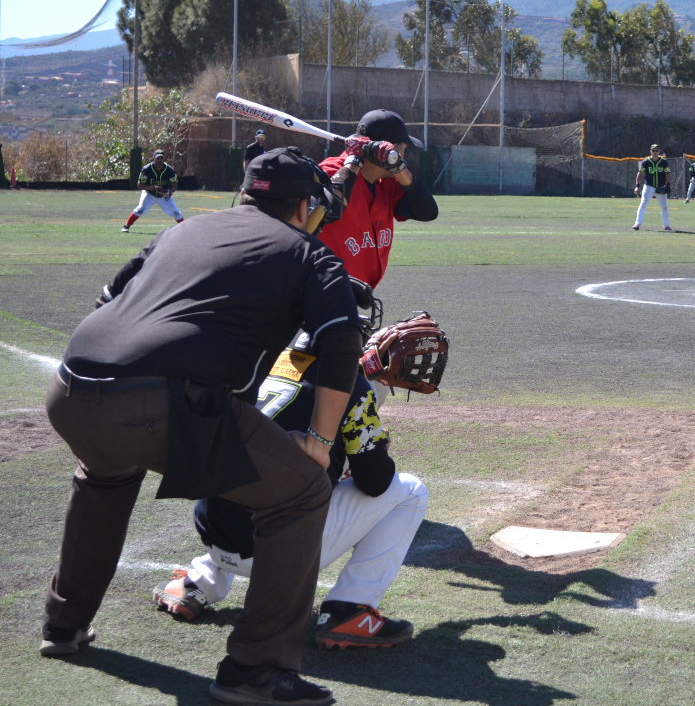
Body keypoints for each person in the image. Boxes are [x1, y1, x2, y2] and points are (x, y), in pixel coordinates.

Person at [43, 147, 361, 706]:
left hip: (70, 387)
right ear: (304, 206)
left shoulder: (183, 230)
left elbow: (108, 299)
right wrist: (319, 441)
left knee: (106, 476)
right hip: (157, 404)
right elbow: (340, 345)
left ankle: (63, 625)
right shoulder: (310, 253)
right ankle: (256, 669)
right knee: (303, 491)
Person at [152, 289, 429, 650]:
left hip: (212, 529)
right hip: (275, 549)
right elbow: (376, 482)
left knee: (254, 474)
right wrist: (373, 448)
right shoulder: (350, 382)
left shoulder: (261, 358)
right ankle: (348, 610)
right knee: (410, 491)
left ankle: (197, 582)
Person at [318, 109, 438, 289]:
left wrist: (398, 168)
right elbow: (330, 209)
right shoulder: (332, 172)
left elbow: (427, 212)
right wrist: (355, 159)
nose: (402, 156)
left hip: (358, 293)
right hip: (324, 291)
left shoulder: (388, 183)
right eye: (402, 150)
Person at [122, 149, 183, 232]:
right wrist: (150, 187)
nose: (160, 160)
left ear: (164, 159)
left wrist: (169, 192)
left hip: (163, 195)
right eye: (158, 158)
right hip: (149, 194)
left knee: (176, 212)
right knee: (140, 209)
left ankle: (185, 229)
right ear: (153, 159)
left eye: (161, 158)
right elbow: (139, 184)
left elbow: (174, 186)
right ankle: (126, 226)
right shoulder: (147, 169)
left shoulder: (170, 170)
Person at [633, 143, 672, 231]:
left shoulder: (664, 162)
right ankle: (637, 224)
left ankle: (666, 226)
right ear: (650, 151)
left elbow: (667, 174)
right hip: (649, 186)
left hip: (660, 186)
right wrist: (637, 186)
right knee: (643, 204)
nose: (655, 152)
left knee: (664, 207)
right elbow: (640, 174)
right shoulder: (646, 162)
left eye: (656, 150)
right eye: (653, 150)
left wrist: (668, 185)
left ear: (659, 151)